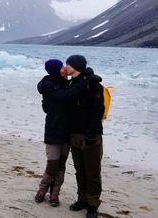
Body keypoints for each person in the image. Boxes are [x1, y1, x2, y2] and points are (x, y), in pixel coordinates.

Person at [34, 58, 86, 207]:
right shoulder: (49, 86)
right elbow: (68, 96)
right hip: (53, 130)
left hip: (67, 131)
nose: (65, 68)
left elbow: (74, 81)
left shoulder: (65, 82)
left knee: (61, 165)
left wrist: (84, 75)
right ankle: (42, 189)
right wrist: (84, 80)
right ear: (56, 70)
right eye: (62, 66)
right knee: (52, 164)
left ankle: (55, 193)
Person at [64, 55, 105, 218]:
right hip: (74, 134)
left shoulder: (93, 84)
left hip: (91, 136)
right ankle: (82, 199)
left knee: (93, 172)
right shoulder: (71, 83)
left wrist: (90, 133)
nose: (65, 66)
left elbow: (98, 111)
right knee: (79, 170)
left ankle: (93, 205)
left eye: (68, 64)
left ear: (75, 66)